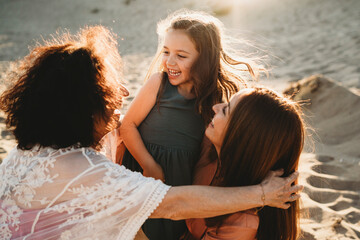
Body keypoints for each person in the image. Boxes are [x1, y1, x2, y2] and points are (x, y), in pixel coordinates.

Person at [0, 26, 302, 240]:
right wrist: (263, 193)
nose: (126, 91)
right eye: (109, 91)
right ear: (84, 109)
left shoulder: (34, 147)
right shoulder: (85, 171)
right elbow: (173, 205)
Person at [120, 10, 259, 239]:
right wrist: (149, 165)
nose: (169, 62)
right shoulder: (159, 84)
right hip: (144, 175)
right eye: (166, 52)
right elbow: (128, 125)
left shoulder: (214, 101)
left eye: (181, 56)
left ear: (204, 58)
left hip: (182, 186)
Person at [185, 88, 305, 240]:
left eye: (226, 110)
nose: (216, 107)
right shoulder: (210, 148)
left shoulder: (242, 222)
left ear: (240, 137)